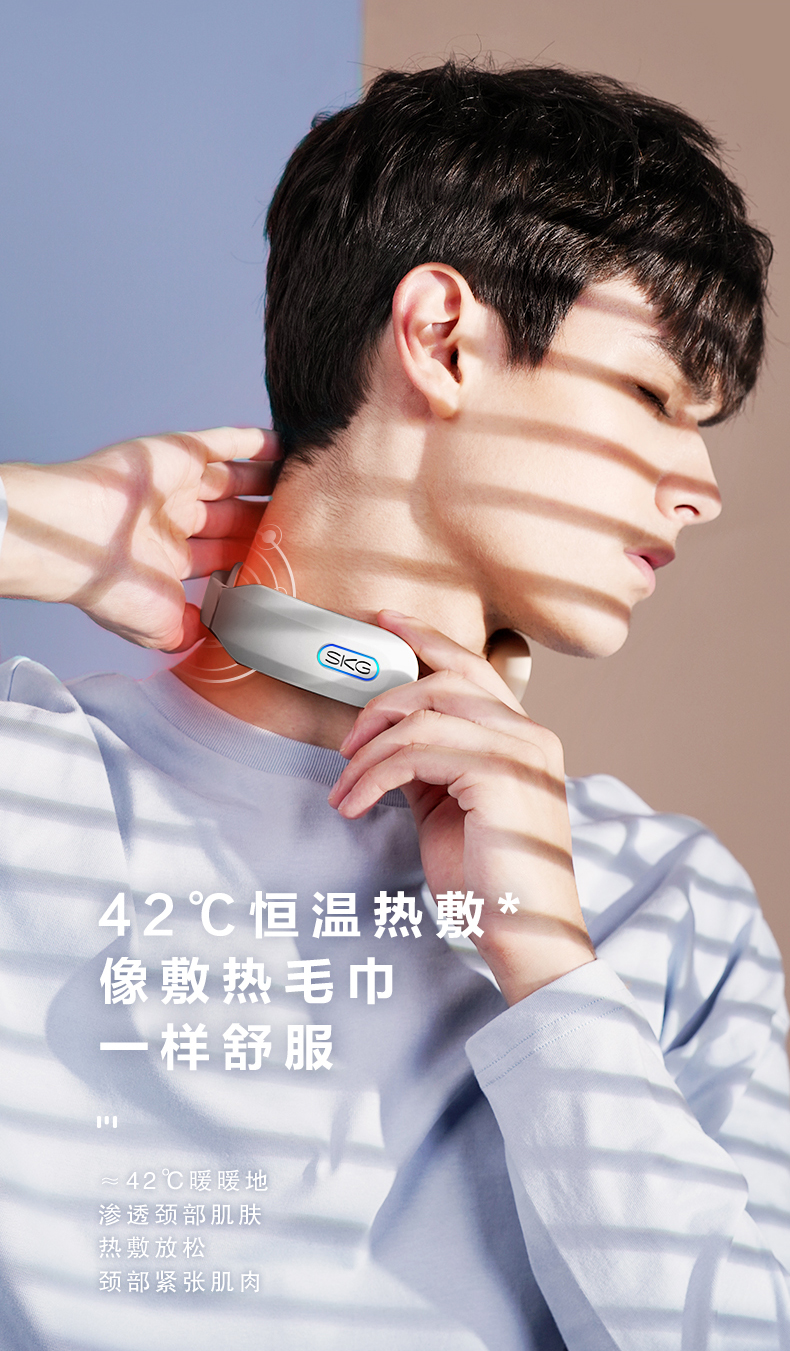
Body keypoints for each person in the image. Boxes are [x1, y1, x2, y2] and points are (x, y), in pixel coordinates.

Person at [0, 60, 788, 1351]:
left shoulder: (668, 903)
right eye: (652, 396)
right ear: (441, 338)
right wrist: (27, 527)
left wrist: (549, 969)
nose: (700, 487)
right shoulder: (34, 793)